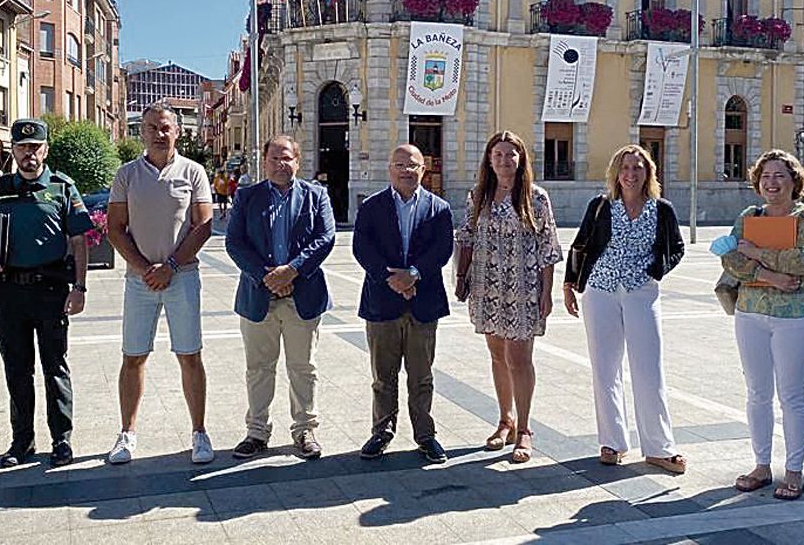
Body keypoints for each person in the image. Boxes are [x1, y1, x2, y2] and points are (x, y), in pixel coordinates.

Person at [0, 118, 93, 468]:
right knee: (17, 370)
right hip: (9, 291)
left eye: (36, 147)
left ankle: (62, 440)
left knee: (55, 368)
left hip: (51, 290)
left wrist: (80, 287)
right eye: (23, 148)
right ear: (13, 151)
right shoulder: (0, 189)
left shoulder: (62, 187)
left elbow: (79, 241)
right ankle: (21, 440)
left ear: (46, 150)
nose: (30, 154)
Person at [562, 144, 687, 474]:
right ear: (616, 173)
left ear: (649, 173)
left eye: (638, 168)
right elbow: (581, 243)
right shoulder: (602, 206)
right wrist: (570, 284)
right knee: (605, 369)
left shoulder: (661, 209)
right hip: (599, 290)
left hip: (641, 293)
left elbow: (676, 248)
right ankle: (612, 441)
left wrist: (656, 271)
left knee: (649, 369)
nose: (631, 174)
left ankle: (659, 448)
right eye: (626, 167)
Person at [105, 102, 215, 465]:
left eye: (165, 126)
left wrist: (169, 266)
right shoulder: (127, 174)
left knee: (190, 356)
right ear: (143, 131)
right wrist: (142, 268)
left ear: (177, 131)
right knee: (133, 357)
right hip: (139, 282)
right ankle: (127, 433)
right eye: (151, 126)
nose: (158, 132)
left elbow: (203, 226)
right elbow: (115, 228)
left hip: (182, 277)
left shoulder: (194, 172)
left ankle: (199, 433)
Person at [722, 149, 804, 501]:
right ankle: (762, 465)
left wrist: (757, 252)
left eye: (780, 175)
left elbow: (802, 259)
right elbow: (731, 258)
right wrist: (770, 275)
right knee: (757, 393)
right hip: (750, 313)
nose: (772, 182)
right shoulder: (749, 216)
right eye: (765, 176)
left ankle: (794, 472)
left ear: (794, 180)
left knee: (792, 395)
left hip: (798, 317)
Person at [225, 135, 335, 460]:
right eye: (274, 158)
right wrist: (267, 275)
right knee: (259, 368)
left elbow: (325, 238)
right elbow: (235, 243)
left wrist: (293, 271)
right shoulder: (247, 197)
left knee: (303, 367)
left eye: (286, 158)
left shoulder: (317, 196)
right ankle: (257, 431)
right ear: (264, 161)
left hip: (304, 295)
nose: (280, 163)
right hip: (258, 296)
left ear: (297, 161)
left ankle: (305, 430)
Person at [454, 130, 560, 463]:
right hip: (487, 287)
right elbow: (466, 237)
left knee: (519, 358)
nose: (504, 160)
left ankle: (525, 429)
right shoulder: (479, 196)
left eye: (510, 154)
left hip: (524, 288)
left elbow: (548, 247)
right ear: (489, 159)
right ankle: (505, 420)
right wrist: (461, 276)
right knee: (497, 355)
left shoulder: (536, 197)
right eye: (497, 155)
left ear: (521, 159)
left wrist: (547, 292)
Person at [352, 144, 454, 463]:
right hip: (382, 302)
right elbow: (362, 249)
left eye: (413, 166)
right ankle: (382, 431)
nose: (406, 171)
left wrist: (414, 274)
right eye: (400, 165)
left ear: (424, 170)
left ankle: (425, 435)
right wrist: (393, 279)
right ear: (389, 169)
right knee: (383, 376)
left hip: (424, 303)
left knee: (422, 375)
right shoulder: (371, 207)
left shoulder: (439, 208)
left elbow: (442, 250)